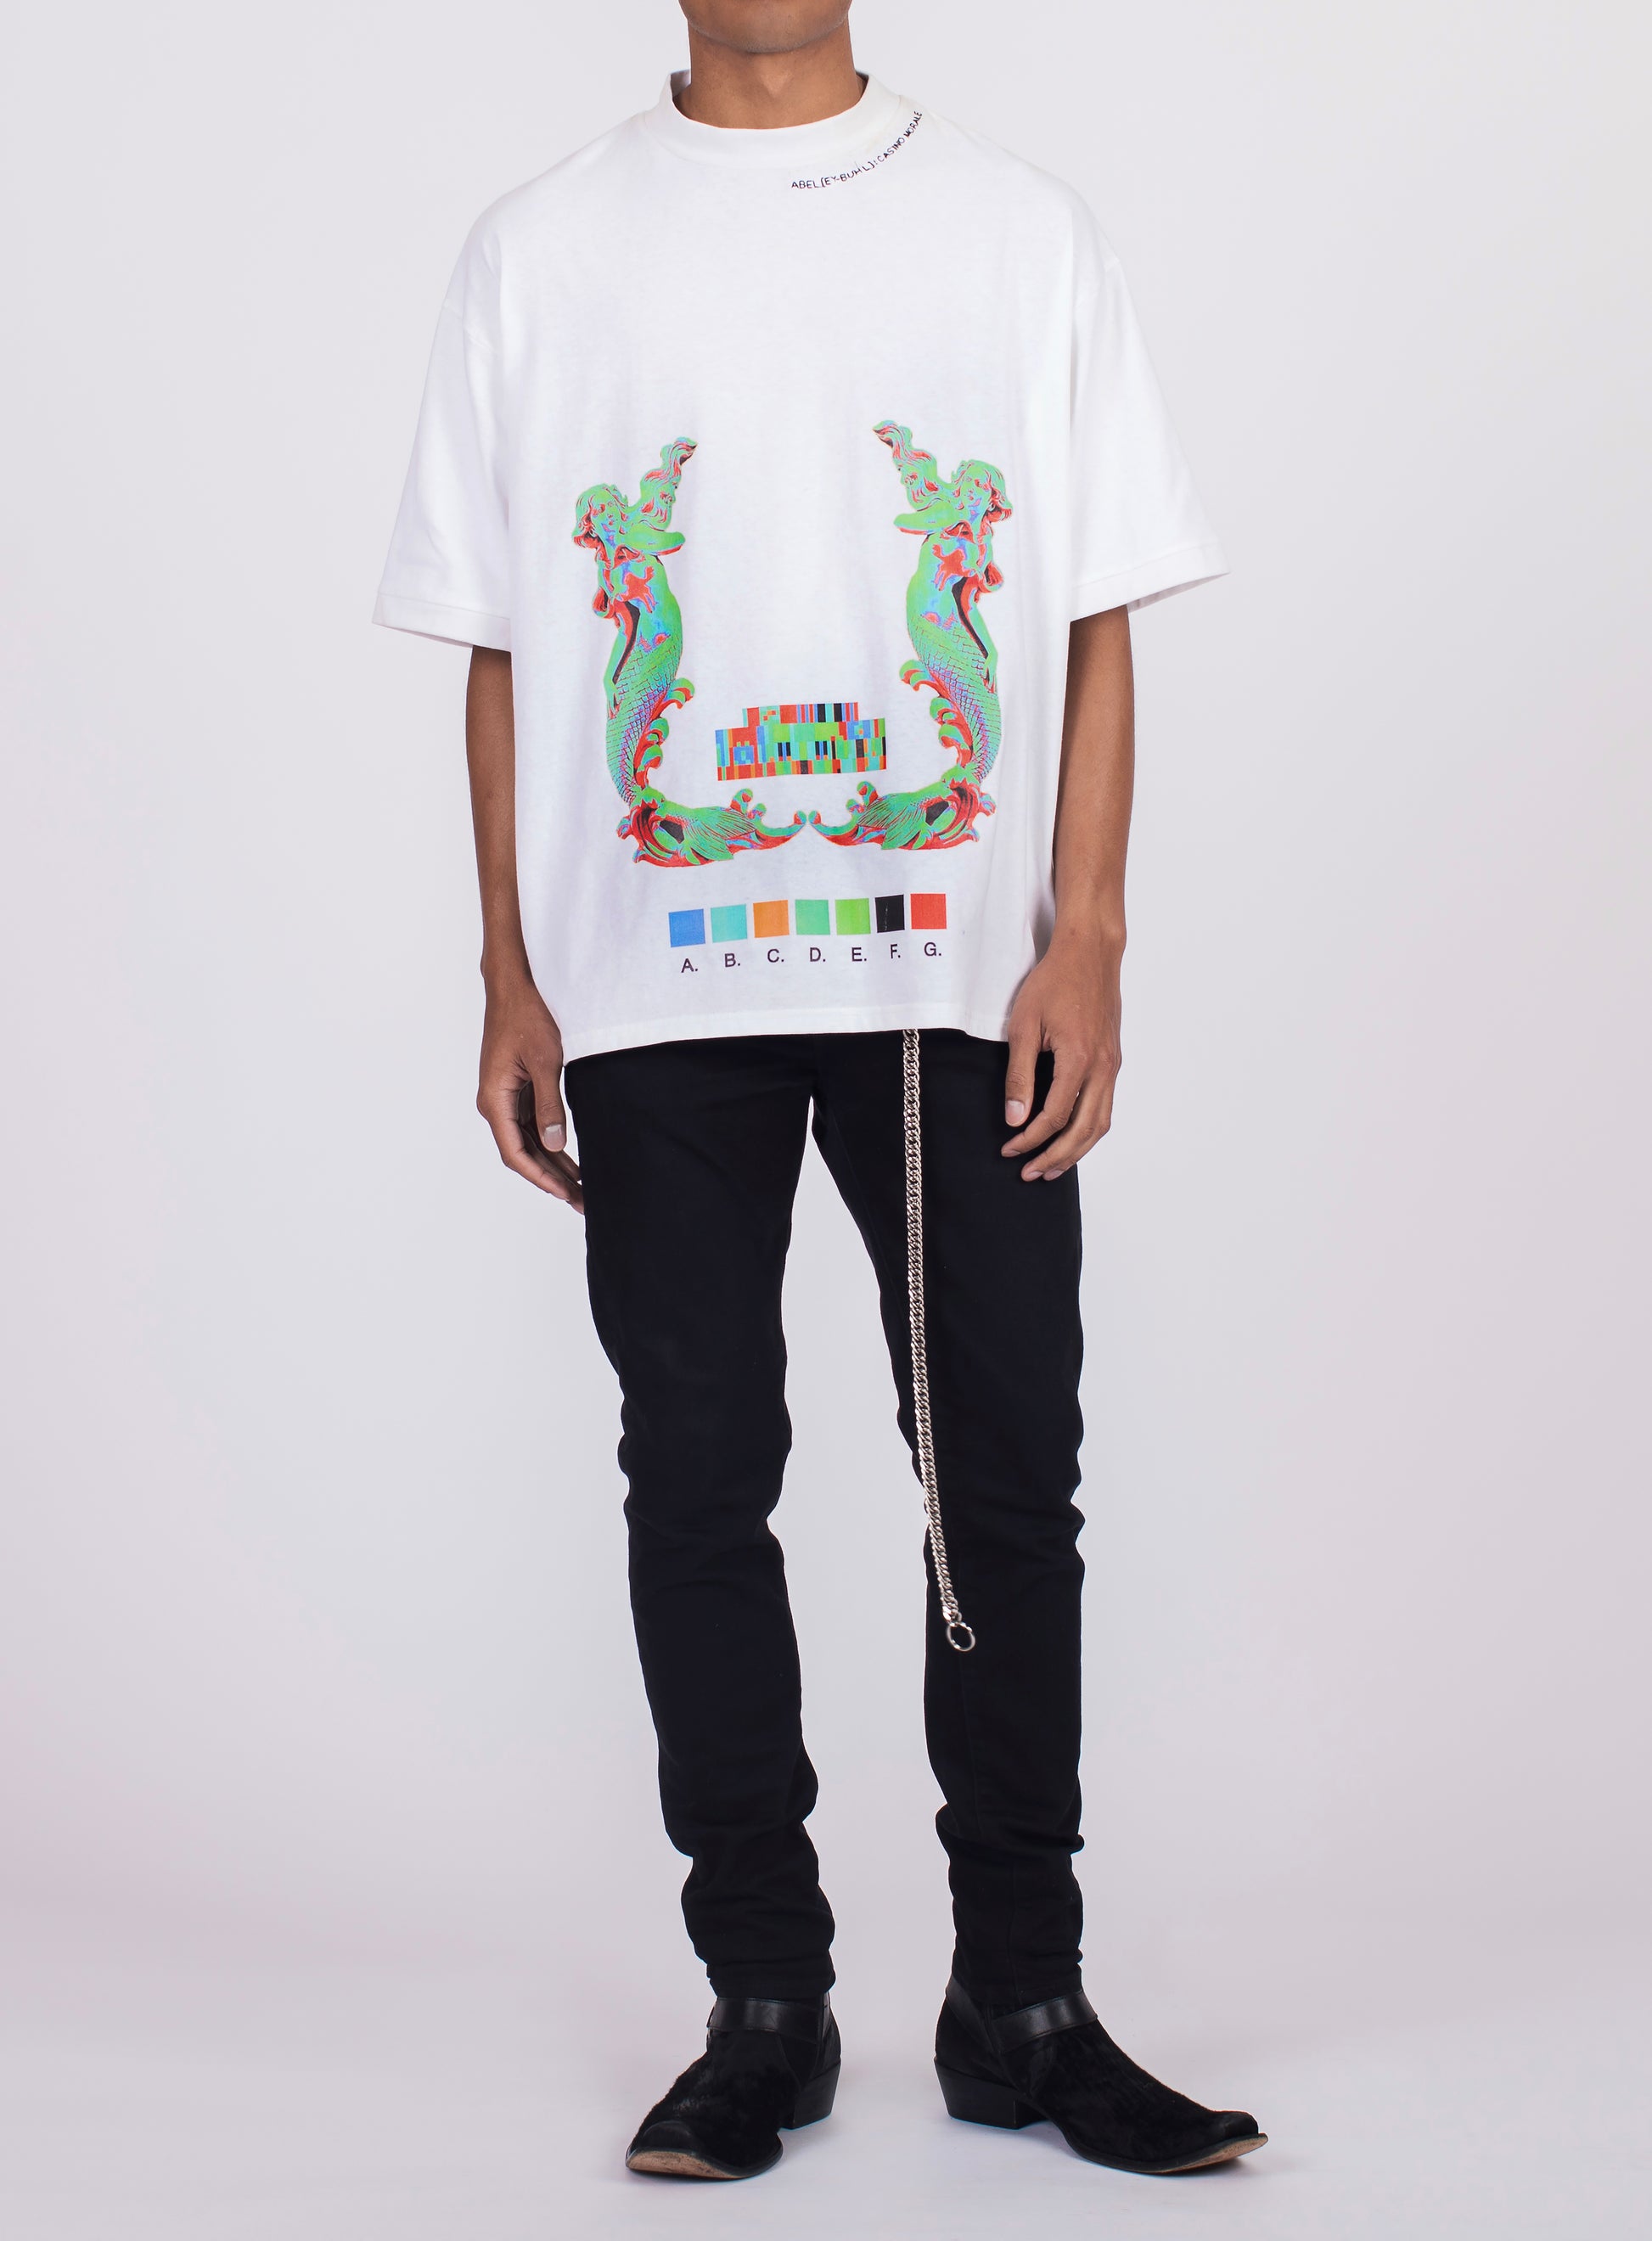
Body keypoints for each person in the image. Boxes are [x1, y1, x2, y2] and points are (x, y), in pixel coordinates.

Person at [374, 0, 1264, 2186]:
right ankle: (761, 2003)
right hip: (651, 969)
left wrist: (1088, 929)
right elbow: (504, 634)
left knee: (1003, 1485)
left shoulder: (1018, 232)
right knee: (696, 1479)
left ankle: (1023, 2001)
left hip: (954, 973)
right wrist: (507, 965)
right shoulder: (539, 249)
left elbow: (1093, 606)